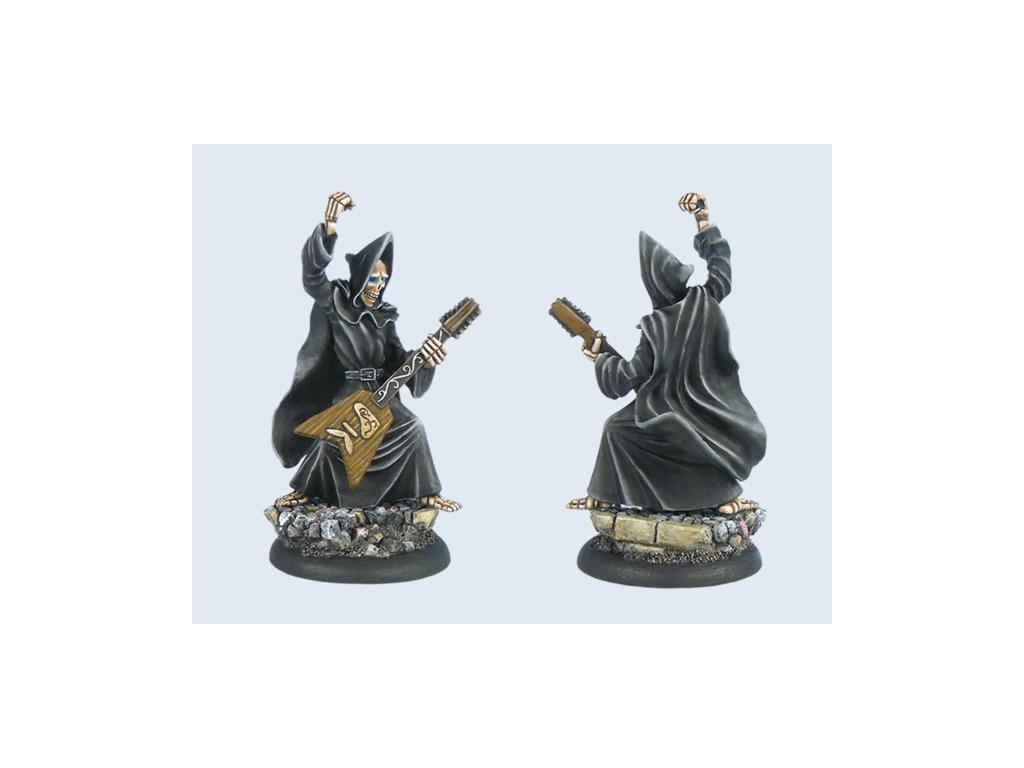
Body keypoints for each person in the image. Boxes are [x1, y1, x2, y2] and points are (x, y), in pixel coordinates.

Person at [568, 195, 766, 513]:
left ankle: (603, 496)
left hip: (690, 412)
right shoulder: (704, 299)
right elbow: (721, 271)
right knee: (636, 428)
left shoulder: (655, 326)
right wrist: (703, 221)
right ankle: (615, 497)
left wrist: (601, 360)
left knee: (617, 428)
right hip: (714, 413)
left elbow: (628, 378)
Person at [272, 192, 460, 511]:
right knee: (331, 439)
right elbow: (312, 276)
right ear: (361, 275)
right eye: (373, 277)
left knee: (414, 429)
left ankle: (425, 492)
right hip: (347, 392)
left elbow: (398, 359)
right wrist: (329, 227)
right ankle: (308, 490)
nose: (378, 285)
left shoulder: (384, 319)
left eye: (384, 279)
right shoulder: (335, 300)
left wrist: (426, 359)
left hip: (382, 394)